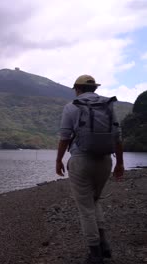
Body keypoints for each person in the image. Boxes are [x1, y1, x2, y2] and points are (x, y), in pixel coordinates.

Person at [55, 75, 124, 264]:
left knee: (85, 207)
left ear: (77, 88)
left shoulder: (72, 106)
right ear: (94, 88)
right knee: (94, 200)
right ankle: (104, 244)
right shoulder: (108, 105)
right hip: (104, 161)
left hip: (81, 160)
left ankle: (95, 254)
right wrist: (120, 163)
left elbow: (64, 136)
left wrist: (59, 160)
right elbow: (118, 136)